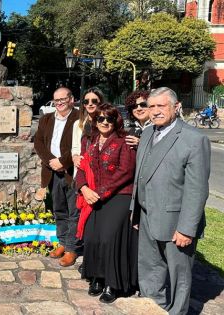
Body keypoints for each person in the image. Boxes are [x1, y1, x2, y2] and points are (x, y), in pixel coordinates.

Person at [131, 87, 210, 315]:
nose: (155, 111)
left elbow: (197, 190)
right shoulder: (147, 133)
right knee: (149, 270)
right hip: (146, 216)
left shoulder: (194, 140)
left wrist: (187, 229)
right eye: (151, 106)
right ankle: (154, 307)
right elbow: (142, 175)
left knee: (179, 277)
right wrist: (136, 211)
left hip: (176, 222)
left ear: (176, 107)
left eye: (161, 106)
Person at [75, 103, 137, 303]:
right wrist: (84, 188)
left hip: (119, 195)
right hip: (92, 194)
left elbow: (126, 172)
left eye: (109, 119)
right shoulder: (91, 141)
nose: (104, 122)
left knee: (109, 237)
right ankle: (97, 277)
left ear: (115, 121)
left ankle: (112, 283)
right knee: (92, 236)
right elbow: (82, 167)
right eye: (100, 118)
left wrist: (99, 193)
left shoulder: (123, 141)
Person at [34, 87, 81, 267]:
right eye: (56, 100)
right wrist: (51, 161)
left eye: (63, 99)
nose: (59, 103)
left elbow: (80, 145)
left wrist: (63, 162)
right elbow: (38, 142)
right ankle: (62, 243)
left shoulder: (79, 118)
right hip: (51, 172)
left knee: (74, 212)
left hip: (71, 172)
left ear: (71, 99)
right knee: (59, 210)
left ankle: (71, 249)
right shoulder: (46, 119)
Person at [71, 87, 104, 173]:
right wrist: (75, 157)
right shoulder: (78, 124)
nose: (90, 104)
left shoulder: (107, 123)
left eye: (94, 101)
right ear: (84, 105)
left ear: (100, 103)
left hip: (101, 171)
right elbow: (75, 147)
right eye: (86, 101)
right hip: (82, 170)